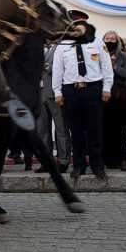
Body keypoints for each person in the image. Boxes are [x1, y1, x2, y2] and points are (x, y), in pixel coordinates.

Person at [52, 10, 113, 179]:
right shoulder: (62, 46)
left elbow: (106, 67)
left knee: (94, 130)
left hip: (93, 89)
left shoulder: (98, 42)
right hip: (71, 91)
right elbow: (57, 70)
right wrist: (57, 92)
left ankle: (97, 165)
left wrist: (107, 88)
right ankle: (79, 165)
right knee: (76, 131)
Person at [36, 44, 71, 174]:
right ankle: (46, 162)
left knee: (61, 129)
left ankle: (63, 161)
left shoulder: (61, 47)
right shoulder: (37, 47)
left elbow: (65, 67)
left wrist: (46, 66)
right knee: (42, 130)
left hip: (55, 93)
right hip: (38, 94)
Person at [101, 31, 126, 172]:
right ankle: (107, 159)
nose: (109, 40)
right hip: (102, 97)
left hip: (119, 97)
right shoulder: (97, 56)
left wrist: (114, 68)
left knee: (119, 129)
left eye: (112, 38)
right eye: (107, 38)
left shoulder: (124, 57)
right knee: (104, 129)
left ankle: (122, 159)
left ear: (118, 41)